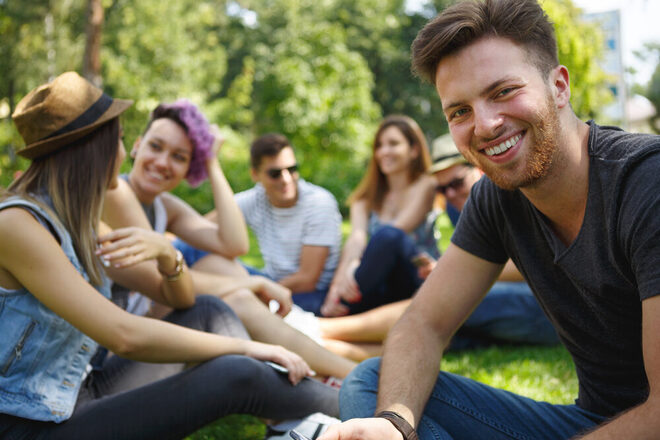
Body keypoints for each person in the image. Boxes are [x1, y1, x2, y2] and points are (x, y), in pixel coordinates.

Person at [320, 0, 660, 438]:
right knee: (372, 382)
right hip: (595, 424)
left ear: (558, 86)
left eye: (503, 91)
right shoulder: (496, 198)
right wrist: (395, 424)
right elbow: (423, 323)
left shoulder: (646, 182)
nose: (484, 125)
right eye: (459, 111)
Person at [0, 72, 338, 440]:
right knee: (237, 373)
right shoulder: (18, 225)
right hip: (33, 427)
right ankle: (360, 406)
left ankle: (310, 417)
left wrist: (168, 255)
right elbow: (123, 334)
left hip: (78, 392)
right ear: (96, 147)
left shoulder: (77, 219)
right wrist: (250, 347)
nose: (123, 151)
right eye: (121, 139)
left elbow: (205, 273)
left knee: (210, 312)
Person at [103, 103, 354, 378]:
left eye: (179, 156)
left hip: (147, 325)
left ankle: (325, 375)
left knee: (222, 266)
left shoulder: (165, 207)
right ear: (136, 146)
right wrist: (249, 281)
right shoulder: (117, 193)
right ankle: (343, 376)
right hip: (114, 349)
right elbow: (161, 280)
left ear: (189, 167)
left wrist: (212, 162)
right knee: (233, 294)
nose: (163, 162)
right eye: (155, 147)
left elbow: (235, 245)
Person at [316, 134, 558, 361]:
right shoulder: (461, 206)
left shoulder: (517, 193)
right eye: (443, 189)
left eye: (456, 182)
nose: (450, 194)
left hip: (548, 305)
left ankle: (319, 329)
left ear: (480, 168)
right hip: (499, 312)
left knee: (449, 300)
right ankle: (326, 347)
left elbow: (542, 264)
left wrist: (453, 269)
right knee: (448, 335)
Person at [175, 132, 344, 316]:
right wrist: (166, 238)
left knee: (228, 290)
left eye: (292, 169)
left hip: (311, 296)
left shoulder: (319, 203)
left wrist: (259, 287)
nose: (286, 179)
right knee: (190, 248)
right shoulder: (256, 198)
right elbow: (196, 226)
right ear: (255, 175)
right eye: (275, 173)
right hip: (271, 280)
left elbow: (308, 280)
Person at [320, 115, 438, 317]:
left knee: (387, 235)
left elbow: (396, 232)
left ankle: (333, 315)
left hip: (417, 277)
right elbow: (355, 239)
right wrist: (338, 282)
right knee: (309, 298)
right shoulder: (365, 199)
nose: (384, 152)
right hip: (376, 281)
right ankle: (335, 307)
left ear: (414, 150)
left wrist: (357, 265)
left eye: (393, 144)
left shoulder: (426, 185)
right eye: (379, 146)